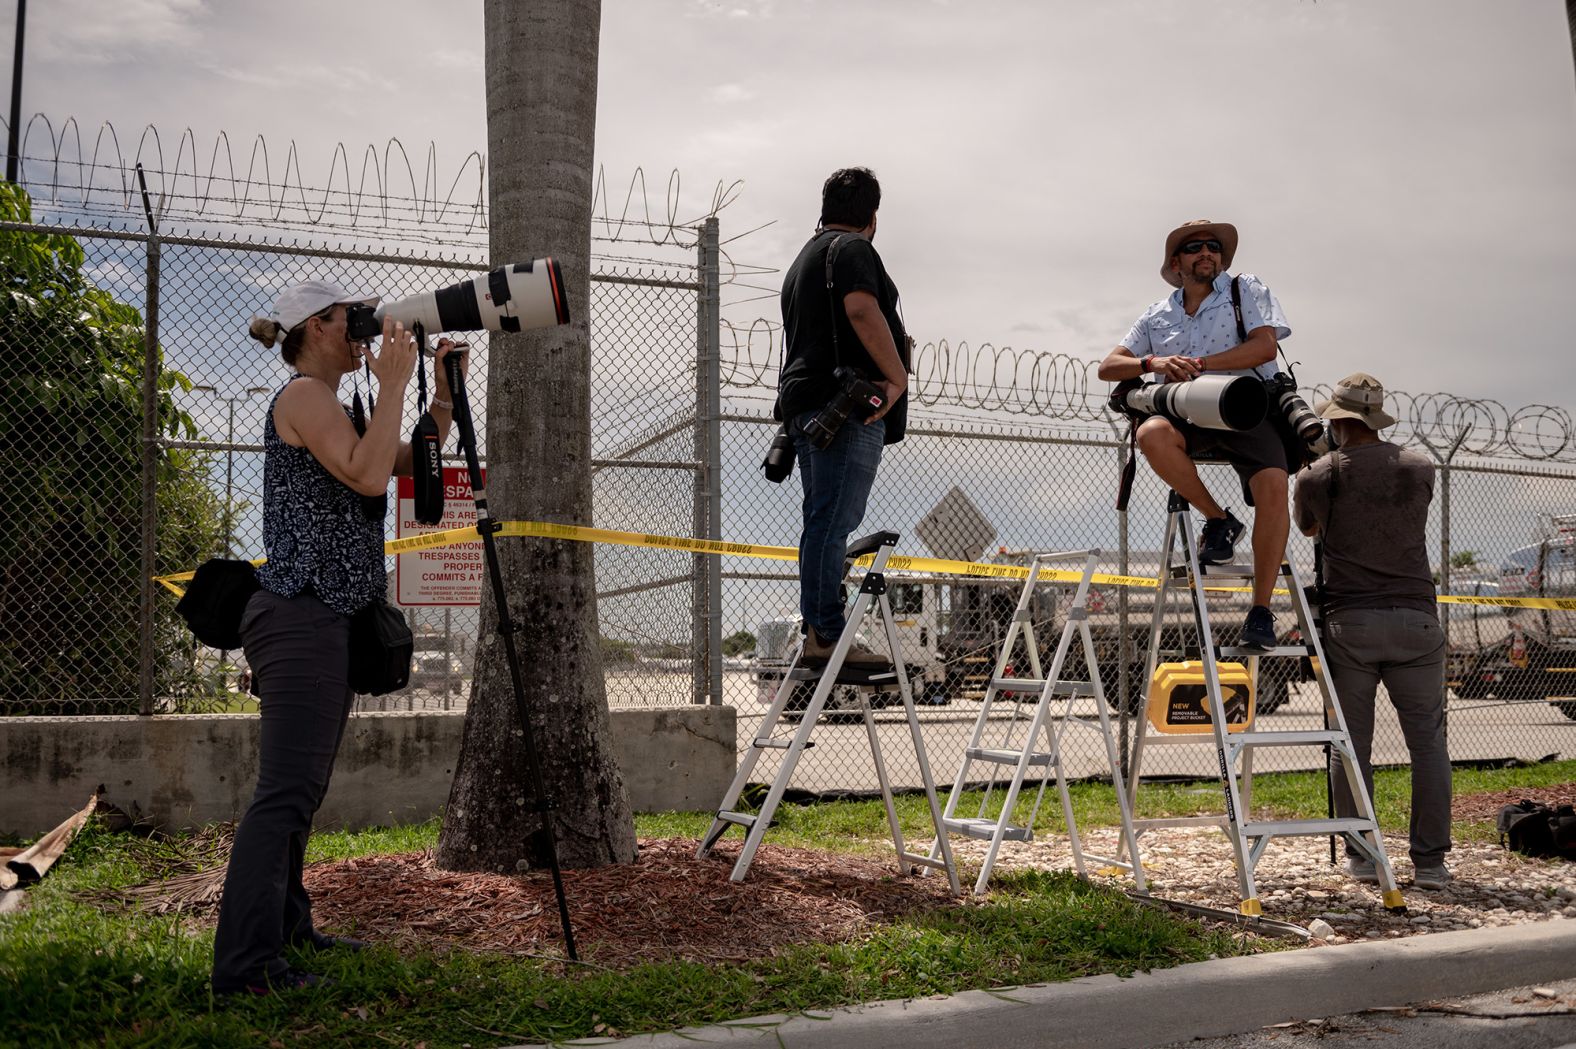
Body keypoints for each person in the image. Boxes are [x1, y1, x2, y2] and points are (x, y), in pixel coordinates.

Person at [211, 281, 467, 994]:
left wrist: (439, 397)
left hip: (323, 616)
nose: (362, 333)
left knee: (303, 789)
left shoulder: (341, 403)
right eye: (349, 321)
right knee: (285, 793)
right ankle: (245, 966)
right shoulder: (303, 397)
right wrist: (394, 382)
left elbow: (401, 463)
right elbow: (362, 474)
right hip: (299, 614)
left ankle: (288, 927)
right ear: (315, 328)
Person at [1098, 219, 1293, 650]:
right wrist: (1154, 363)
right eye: (1193, 247)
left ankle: (1261, 611)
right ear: (1176, 262)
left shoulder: (1246, 291)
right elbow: (1108, 366)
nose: (1206, 252)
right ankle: (1218, 518)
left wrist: (1201, 364)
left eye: (1213, 246)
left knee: (1274, 486)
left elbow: (1264, 348)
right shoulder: (1157, 314)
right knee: (1151, 433)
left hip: (1245, 406)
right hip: (1186, 412)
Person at [1293, 373, 1452, 890]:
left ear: (1337, 421)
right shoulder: (1420, 467)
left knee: (1351, 744)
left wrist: (1311, 471)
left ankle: (1362, 856)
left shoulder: (1318, 474)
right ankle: (1430, 864)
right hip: (1417, 619)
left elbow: (1309, 529)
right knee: (1427, 743)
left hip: (1352, 621)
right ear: (1376, 416)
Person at [778, 167, 911, 670]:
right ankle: (827, 633)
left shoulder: (802, 262)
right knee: (833, 521)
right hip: (845, 406)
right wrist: (895, 379)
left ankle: (820, 627)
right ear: (872, 217)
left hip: (807, 406)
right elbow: (860, 310)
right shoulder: (854, 250)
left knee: (822, 519)